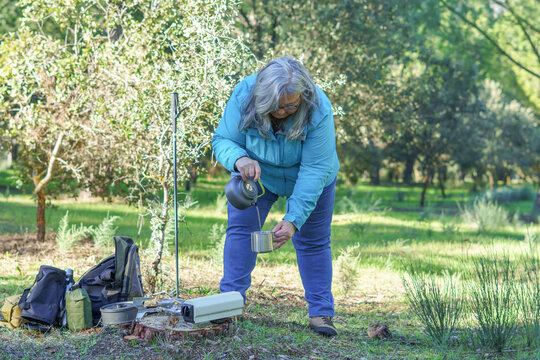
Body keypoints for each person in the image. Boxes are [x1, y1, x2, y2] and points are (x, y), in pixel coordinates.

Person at [212, 57, 340, 336]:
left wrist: (293, 220)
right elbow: (223, 139)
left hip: (310, 178)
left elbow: (315, 169)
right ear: (261, 97)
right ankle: (229, 305)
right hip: (257, 176)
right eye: (276, 106)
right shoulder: (243, 94)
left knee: (313, 242)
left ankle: (321, 313)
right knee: (240, 232)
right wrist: (239, 159)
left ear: (303, 97)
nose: (283, 111)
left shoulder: (319, 108)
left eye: (291, 105)